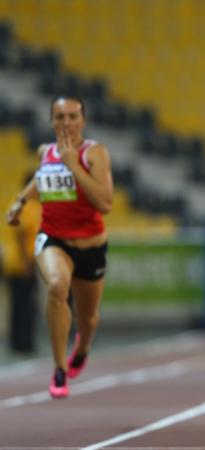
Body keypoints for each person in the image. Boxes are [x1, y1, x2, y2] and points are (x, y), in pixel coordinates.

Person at [6, 96, 113, 398]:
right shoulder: (45, 152)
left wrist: (72, 164)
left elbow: (104, 203)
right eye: (60, 117)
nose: (66, 122)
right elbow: (41, 180)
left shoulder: (95, 153)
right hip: (53, 237)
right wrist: (21, 201)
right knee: (56, 286)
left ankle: (82, 347)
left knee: (88, 317)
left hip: (91, 245)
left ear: (83, 120)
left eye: (72, 116)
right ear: (52, 120)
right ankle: (58, 368)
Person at [3, 172, 42, 354]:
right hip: (21, 263)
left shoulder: (21, 203)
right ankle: (22, 342)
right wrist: (27, 264)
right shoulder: (26, 205)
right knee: (24, 305)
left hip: (18, 262)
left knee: (20, 304)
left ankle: (20, 341)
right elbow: (21, 235)